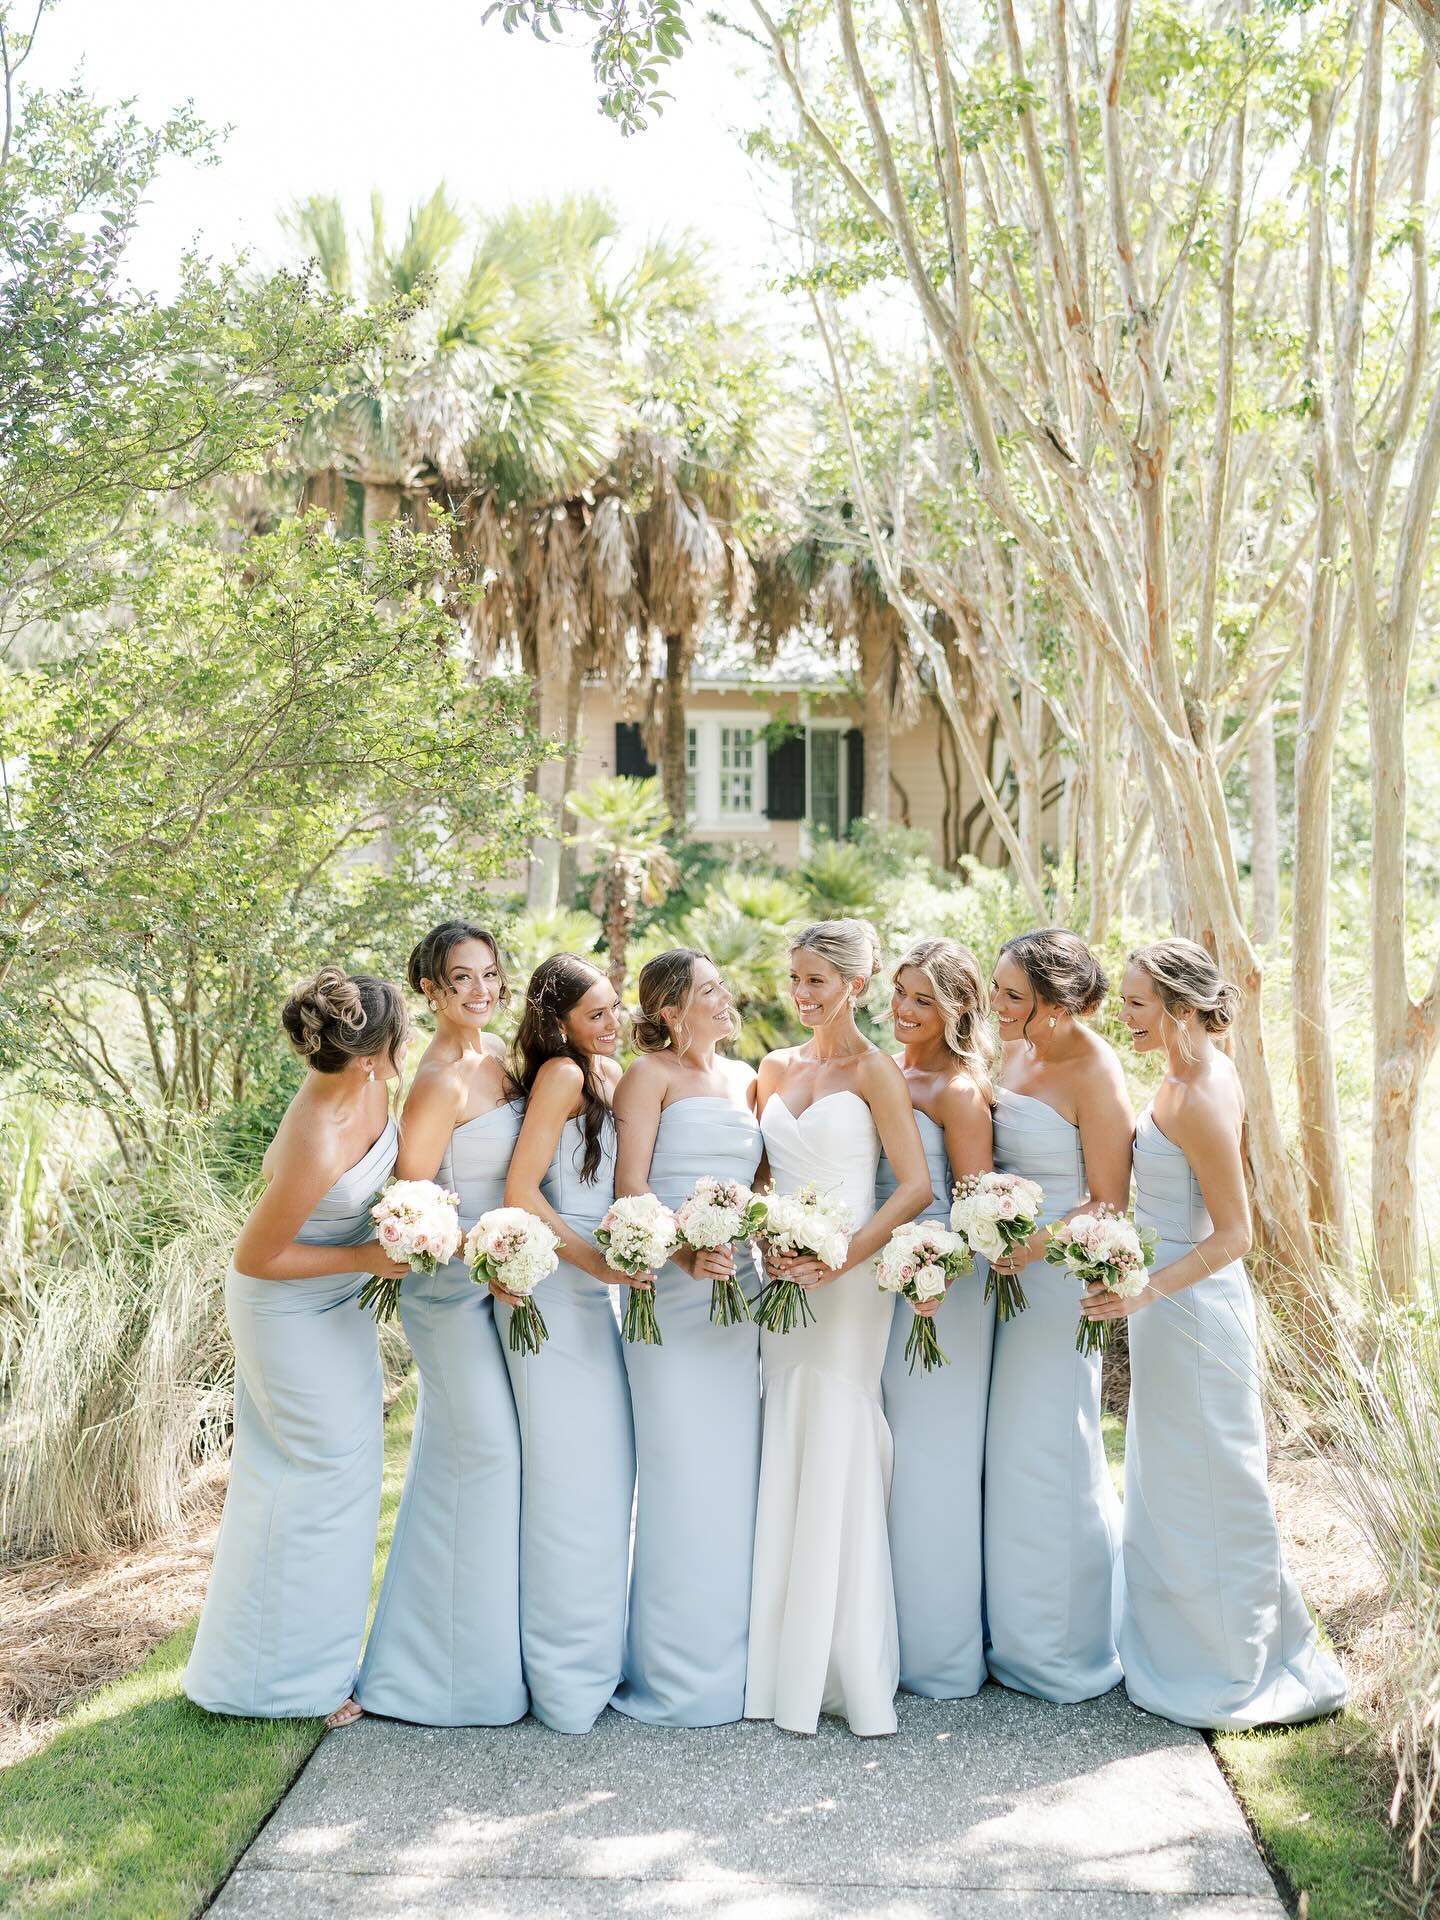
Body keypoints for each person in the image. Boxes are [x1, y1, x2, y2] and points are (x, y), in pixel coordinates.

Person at [1092, 938, 1348, 1728]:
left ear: (1180, 1008)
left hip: (1195, 1310)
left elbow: (1236, 1234)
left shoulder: (1202, 1093)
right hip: (1169, 1304)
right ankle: (1181, 1642)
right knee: (1173, 1477)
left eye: (1136, 1003)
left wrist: (1144, 1290)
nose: (1124, 1015)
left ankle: (1237, 1660)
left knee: (1217, 1479)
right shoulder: (1182, 1072)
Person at [185, 968, 408, 1726]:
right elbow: (256, 1257)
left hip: (335, 1295)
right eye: (399, 1032)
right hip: (283, 1304)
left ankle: (279, 1665)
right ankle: (286, 1684)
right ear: (371, 1053)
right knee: (321, 1475)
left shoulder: (371, 1089)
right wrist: (367, 1257)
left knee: (340, 1471)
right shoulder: (319, 1131)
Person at [744, 918, 932, 1738]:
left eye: (816, 980)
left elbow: (915, 1187)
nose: (801, 994)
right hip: (784, 1278)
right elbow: (760, 1178)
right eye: (794, 978)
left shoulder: (875, 1070)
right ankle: (782, 1661)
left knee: (839, 1430)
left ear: (855, 985)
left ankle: (844, 1659)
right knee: (788, 1427)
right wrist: (765, 1237)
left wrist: (842, 1257)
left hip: (850, 1283)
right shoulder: (773, 1068)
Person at [357, 922, 526, 1727]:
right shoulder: (436, 1082)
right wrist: (486, 1252)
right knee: (485, 1454)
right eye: (463, 978)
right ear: (430, 989)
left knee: (475, 1462)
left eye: (490, 974)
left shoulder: (502, 1059)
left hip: (509, 1285)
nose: (481, 990)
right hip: (452, 1295)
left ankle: (483, 1657)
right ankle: (437, 1677)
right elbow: (413, 1205)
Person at [610, 948, 764, 1727]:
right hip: (670, 1295)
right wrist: (682, 1250)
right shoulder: (648, 1077)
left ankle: (739, 1666)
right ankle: (673, 1672)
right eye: (708, 990)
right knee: (679, 1472)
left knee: (735, 1473)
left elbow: (762, 1186)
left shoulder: (746, 1079)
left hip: (741, 1290)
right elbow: (630, 1186)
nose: (724, 997)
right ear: (670, 1011)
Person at [496, 953, 644, 1735]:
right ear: (558, 1024)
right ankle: (563, 1679)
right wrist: (596, 1264)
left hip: (598, 1291)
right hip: (556, 1290)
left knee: (604, 1478)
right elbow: (522, 1191)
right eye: (596, 1014)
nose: (613, 1022)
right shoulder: (560, 1075)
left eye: (615, 1007)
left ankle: (596, 1655)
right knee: (569, 1483)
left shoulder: (610, 1073)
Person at [984, 929, 1133, 1703]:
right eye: (998, 988)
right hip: (996, 1278)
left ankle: (1062, 1642)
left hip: (1050, 1284)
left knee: (1047, 1447)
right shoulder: (1014, 1051)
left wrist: (1032, 1246)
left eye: (1012, 995)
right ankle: (1008, 1629)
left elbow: (1108, 1198)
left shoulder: (1095, 1069)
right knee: (1003, 1454)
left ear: (1055, 1001)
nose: (997, 1004)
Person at [878, 939, 996, 1699]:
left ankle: (939, 1652)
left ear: (957, 1010)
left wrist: (934, 1274)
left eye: (924, 999)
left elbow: (977, 1209)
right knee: (889, 1457)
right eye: (900, 992)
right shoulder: (883, 1071)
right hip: (878, 1283)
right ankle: (883, 1634)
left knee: (934, 1462)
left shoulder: (959, 1091)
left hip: (942, 1292)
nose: (905, 1009)